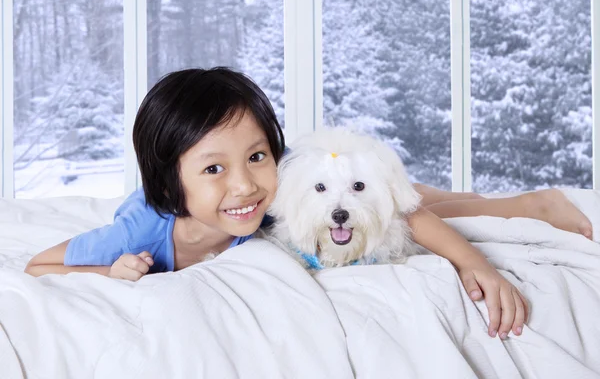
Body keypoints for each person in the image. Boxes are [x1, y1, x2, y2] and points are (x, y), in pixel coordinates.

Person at [24, 67, 593, 340]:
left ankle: (530, 205)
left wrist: (475, 263)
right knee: (415, 201)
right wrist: (110, 271)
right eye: (214, 170)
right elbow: (40, 264)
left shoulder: (268, 191)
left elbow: (404, 216)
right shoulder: (138, 232)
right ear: (172, 186)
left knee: (406, 201)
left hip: (315, 180)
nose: (243, 185)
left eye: (256, 155)